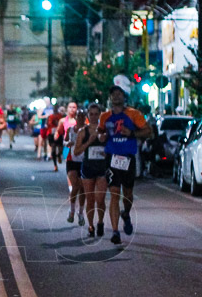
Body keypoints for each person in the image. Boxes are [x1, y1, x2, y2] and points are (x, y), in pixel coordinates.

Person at [99, 85, 151, 245]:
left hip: (128, 158)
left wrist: (133, 133)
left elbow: (149, 131)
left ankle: (126, 214)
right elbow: (100, 133)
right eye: (113, 94)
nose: (116, 96)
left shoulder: (134, 114)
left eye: (119, 94)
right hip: (112, 158)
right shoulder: (105, 116)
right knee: (114, 194)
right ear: (110, 98)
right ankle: (115, 231)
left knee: (127, 194)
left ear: (124, 97)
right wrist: (102, 137)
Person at [73, 103, 107, 237]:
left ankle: (100, 222)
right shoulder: (83, 132)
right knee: (90, 199)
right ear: (88, 115)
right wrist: (89, 142)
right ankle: (91, 225)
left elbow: (111, 148)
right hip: (87, 168)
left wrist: (107, 151)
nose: (93, 117)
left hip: (102, 168)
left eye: (96, 114)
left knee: (100, 199)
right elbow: (76, 151)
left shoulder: (104, 130)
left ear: (100, 115)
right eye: (91, 114)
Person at [56, 101, 83, 223]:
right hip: (70, 153)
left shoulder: (84, 126)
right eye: (70, 107)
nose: (72, 109)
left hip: (82, 156)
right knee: (74, 184)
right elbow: (61, 133)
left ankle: (80, 212)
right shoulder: (64, 121)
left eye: (74, 107)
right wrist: (58, 137)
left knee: (82, 188)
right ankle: (72, 209)